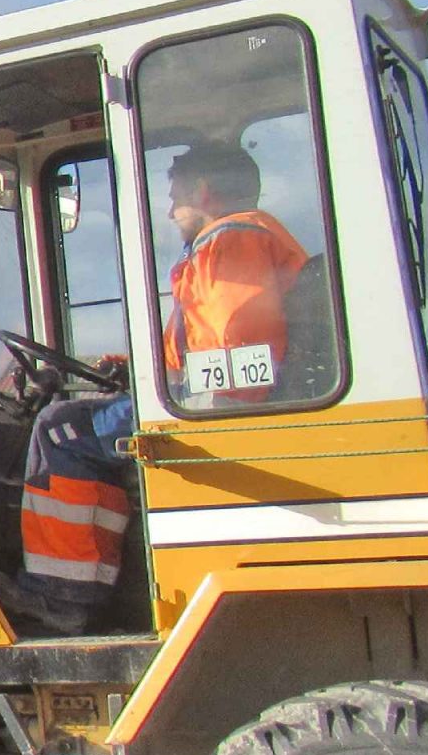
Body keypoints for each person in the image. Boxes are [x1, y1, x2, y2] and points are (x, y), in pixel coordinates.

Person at [18, 140, 306, 629]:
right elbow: (206, 341)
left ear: (204, 191)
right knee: (82, 421)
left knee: (59, 429)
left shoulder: (229, 242)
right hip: (207, 400)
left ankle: (65, 594)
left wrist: (170, 393)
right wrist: (139, 368)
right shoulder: (240, 241)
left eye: (175, 198)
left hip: (214, 412)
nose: (170, 212)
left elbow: (236, 356)